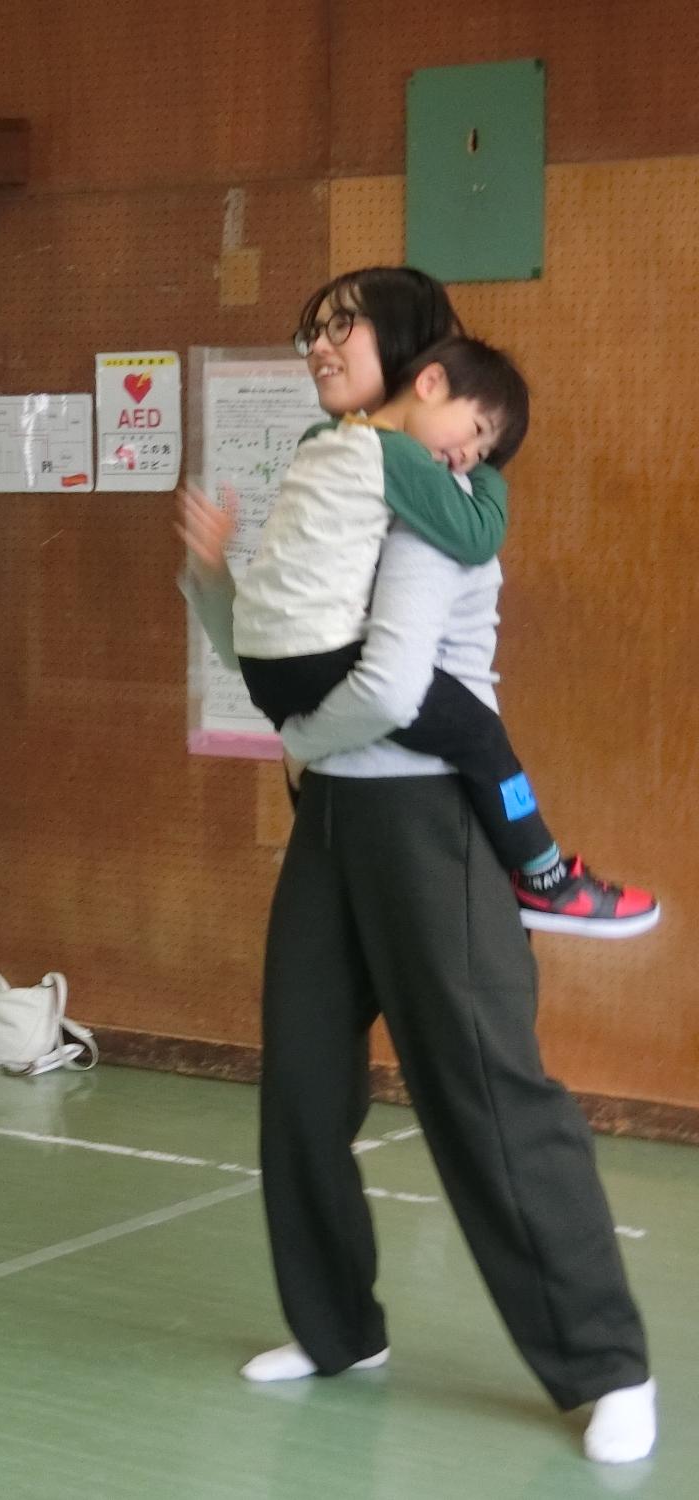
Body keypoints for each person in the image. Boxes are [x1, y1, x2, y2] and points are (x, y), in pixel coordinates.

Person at [178, 269, 655, 1465]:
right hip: (332, 819)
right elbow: (273, 649)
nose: (318, 343)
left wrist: (293, 738)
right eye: (314, 325)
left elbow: (388, 690)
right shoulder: (338, 470)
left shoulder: (436, 492)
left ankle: (604, 1366)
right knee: (298, 1085)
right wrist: (211, 575)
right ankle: (335, 1330)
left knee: (486, 1098)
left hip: (428, 825)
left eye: (341, 325)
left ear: (414, 357)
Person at [229, 331, 655, 935]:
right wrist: (491, 480)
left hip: (262, 662)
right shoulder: (394, 455)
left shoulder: (320, 442)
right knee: (480, 734)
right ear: (429, 383)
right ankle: (545, 879)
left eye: (483, 455)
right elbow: (478, 535)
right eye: (477, 432)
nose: (467, 458)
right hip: (319, 656)